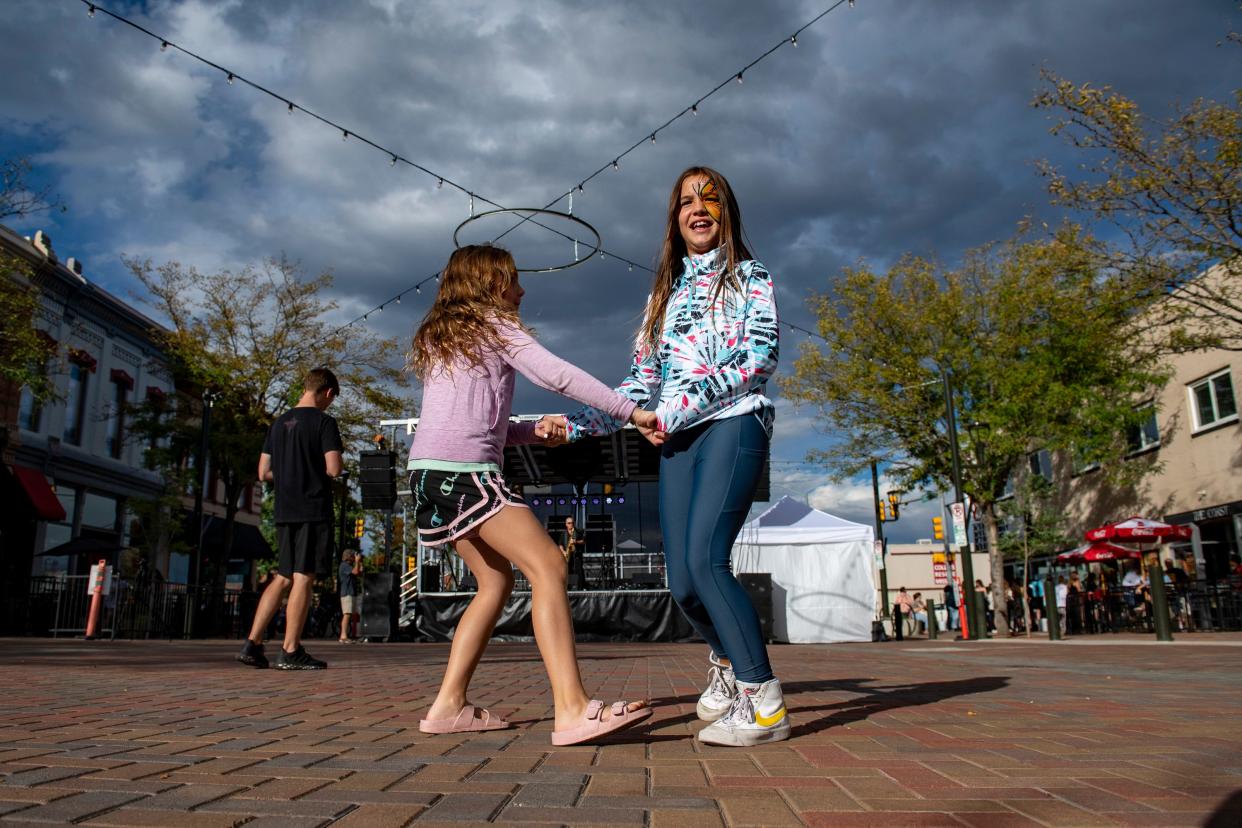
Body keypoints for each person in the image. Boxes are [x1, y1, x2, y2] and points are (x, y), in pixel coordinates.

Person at [564, 166, 785, 747]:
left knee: (709, 561)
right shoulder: (661, 296)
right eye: (686, 200)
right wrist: (572, 423)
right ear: (674, 218)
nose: (698, 206)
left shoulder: (750, 277)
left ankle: (763, 701)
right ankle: (725, 665)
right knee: (683, 581)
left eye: (709, 196)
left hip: (733, 425)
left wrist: (676, 410)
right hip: (678, 441)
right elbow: (639, 386)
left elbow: (759, 358)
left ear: (727, 210)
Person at [406, 244, 656, 745]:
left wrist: (532, 432)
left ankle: (448, 705)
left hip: (428, 474)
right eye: (514, 280)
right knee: (549, 565)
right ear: (492, 283)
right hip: (466, 474)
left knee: (495, 582)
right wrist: (633, 413)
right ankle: (572, 709)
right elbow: (556, 375)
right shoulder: (494, 327)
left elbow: (474, 421)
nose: (522, 290)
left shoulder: (444, 337)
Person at [237, 367, 344, 670]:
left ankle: (253, 643)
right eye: (331, 400)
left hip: (284, 509)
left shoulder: (278, 423)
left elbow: (262, 472)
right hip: (312, 507)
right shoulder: (324, 423)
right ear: (328, 393)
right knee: (303, 576)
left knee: (282, 575)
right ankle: (290, 649)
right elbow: (334, 468)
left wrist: (288, 473)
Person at [338, 549, 362, 643]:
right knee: (346, 614)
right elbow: (356, 572)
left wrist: (359, 563)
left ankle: (347, 635)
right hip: (346, 592)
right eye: (353, 556)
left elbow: (359, 573)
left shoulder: (349, 566)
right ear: (349, 557)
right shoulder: (344, 565)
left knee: (350, 614)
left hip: (351, 592)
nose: (354, 557)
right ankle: (343, 636)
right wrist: (357, 561)